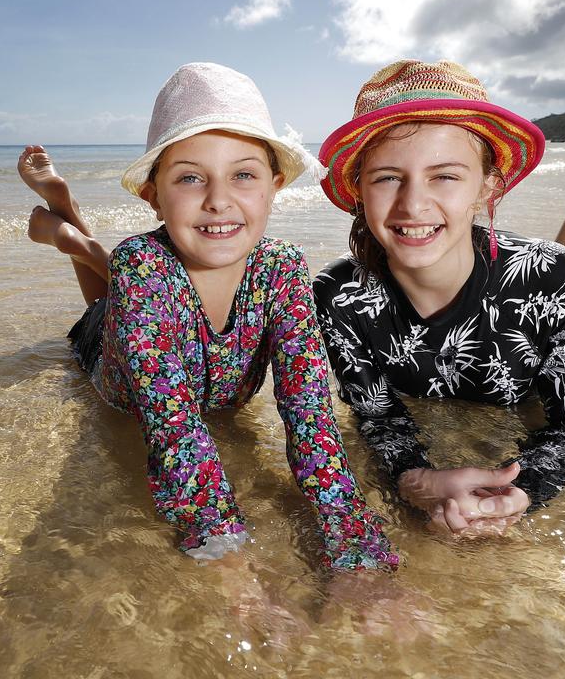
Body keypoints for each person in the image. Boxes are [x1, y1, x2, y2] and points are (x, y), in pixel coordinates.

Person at [21, 62, 398, 571]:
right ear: (153, 196)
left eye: (243, 174)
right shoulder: (141, 262)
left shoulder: (282, 268)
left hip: (150, 302)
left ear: (274, 186)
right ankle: (78, 240)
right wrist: (224, 553)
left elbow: (309, 414)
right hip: (113, 358)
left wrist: (358, 549)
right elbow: (173, 426)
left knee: (130, 293)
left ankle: (78, 232)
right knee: (101, 309)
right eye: (191, 178)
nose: (219, 200)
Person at [312, 60, 565, 537]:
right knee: (546, 269)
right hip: (527, 285)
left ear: (488, 187)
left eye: (445, 176)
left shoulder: (550, 275)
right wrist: (416, 479)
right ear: (358, 189)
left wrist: (521, 492)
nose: (412, 204)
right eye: (388, 177)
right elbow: (378, 421)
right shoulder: (340, 296)